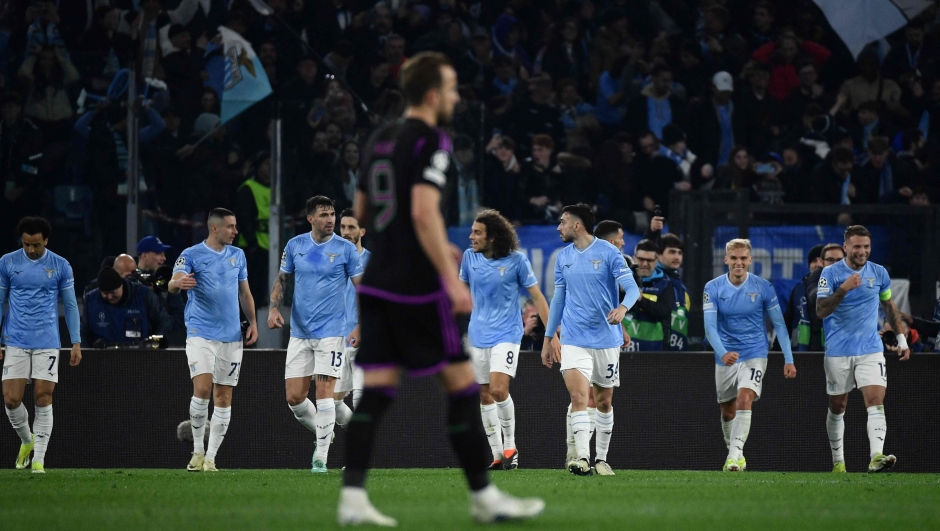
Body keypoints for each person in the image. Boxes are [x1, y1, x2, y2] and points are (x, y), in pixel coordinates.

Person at [338, 52, 544, 526]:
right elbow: (422, 211)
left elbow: (363, 213)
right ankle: (483, 496)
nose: (455, 97)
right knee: (460, 387)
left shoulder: (379, 138)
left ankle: (352, 499)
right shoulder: (432, 139)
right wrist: (449, 277)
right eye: (451, 89)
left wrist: (409, 242)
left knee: (377, 392)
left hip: (378, 285)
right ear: (432, 95)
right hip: (415, 287)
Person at [541, 203, 640, 477]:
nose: (558, 227)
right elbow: (558, 299)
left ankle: (602, 459)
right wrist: (549, 338)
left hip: (606, 339)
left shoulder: (609, 252)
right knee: (578, 397)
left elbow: (632, 289)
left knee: (604, 401)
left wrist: (622, 308)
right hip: (574, 337)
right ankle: (582, 458)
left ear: (576, 225)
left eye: (562, 222)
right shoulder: (563, 258)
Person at [268, 196, 362, 474]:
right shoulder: (295, 245)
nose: (330, 219)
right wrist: (273, 308)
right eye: (324, 215)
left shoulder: (345, 249)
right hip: (299, 333)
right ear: (310, 218)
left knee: (325, 393)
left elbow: (363, 289)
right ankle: (327, 430)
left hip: (332, 334)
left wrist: (360, 325)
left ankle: (320, 457)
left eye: (332, 214)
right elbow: (282, 279)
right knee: (294, 398)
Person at [168, 208, 259, 473]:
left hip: (231, 337)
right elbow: (173, 282)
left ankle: (211, 458)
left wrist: (252, 322)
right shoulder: (191, 254)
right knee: (203, 389)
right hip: (200, 334)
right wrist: (178, 284)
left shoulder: (238, 256)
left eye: (236, 226)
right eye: (231, 226)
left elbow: (245, 293)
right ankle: (197, 450)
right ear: (215, 228)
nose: (236, 231)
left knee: (224, 397)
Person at [460, 209, 550, 471]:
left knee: (499, 390)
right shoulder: (468, 258)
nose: (471, 236)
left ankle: (510, 446)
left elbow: (538, 297)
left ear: (492, 238)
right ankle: (498, 454)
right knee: (484, 395)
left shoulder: (517, 262)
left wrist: (551, 334)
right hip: (477, 335)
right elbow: (461, 292)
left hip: (507, 334)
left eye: (477, 232)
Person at [816, 225, 909, 473]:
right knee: (838, 406)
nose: (862, 251)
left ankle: (876, 456)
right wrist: (844, 288)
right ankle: (838, 462)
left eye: (866, 246)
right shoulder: (830, 273)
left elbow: (888, 306)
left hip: (870, 348)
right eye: (857, 246)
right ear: (846, 247)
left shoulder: (879, 273)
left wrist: (901, 338)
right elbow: (821, 310)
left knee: (876, 401)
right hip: (838, 350)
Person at [704, 238, 796, 472]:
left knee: (744, 399)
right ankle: (735, 453)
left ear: (750, 260)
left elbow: (780, 325)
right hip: (725, 356)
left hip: (755, 352)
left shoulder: (763, 287)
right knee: (727, 410)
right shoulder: (713, 288)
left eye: (743, 258)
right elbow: (710, 327)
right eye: (734, 258)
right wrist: (723, 352)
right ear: (726, 260)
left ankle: (734, 457)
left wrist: (789, 358)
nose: (738, 262)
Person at [0, 216, 82, 473]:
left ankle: (39, 461)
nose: (31, 250)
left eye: (36, 245)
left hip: (47, 341)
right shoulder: (7, 262)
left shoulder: (60, 265)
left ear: (46, 240)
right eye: (26, 245)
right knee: (11, 399)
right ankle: (27, 440)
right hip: (15, 340)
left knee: (43, 397)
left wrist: (76, 341)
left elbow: (69, 306)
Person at [335, 209, 371, 411]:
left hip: (363, 339)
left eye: (351, 227)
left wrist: (361, 326)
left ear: (362, 232)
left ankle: (363, 442)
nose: (346, 232)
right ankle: (357, 438)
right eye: (343, 227)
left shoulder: (372, 262)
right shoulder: (331, 262)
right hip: (336, 340)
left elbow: (377, 302)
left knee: (360, 399)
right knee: (331, 403)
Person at [82, 267, 171, 347]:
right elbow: (84, 332)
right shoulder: (91, 300)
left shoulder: (143, 295)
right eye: (105, 293)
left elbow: (163, 321)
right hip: (102, 358)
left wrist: (154, 344)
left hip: (140, 356)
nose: (109, 297)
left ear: (121, 285)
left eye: (113, 292)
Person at [624, 239, 675, 351]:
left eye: (649, 260)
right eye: (641, 259)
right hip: (623, 347)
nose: (645, 264)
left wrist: (641, 299)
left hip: (653, 348)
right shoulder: (622, 280)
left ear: (656, 261)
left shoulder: (665, 283)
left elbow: (664, 311)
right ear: (634, 258)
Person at [784, 244, 823, 349]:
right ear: (809, 265)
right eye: (814, 261)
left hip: (829, 353)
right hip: (801, 352)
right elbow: (787, 322)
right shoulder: (798, 290)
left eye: (822, 260)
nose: (818, 264)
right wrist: (777, 349)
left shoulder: (838, 288)